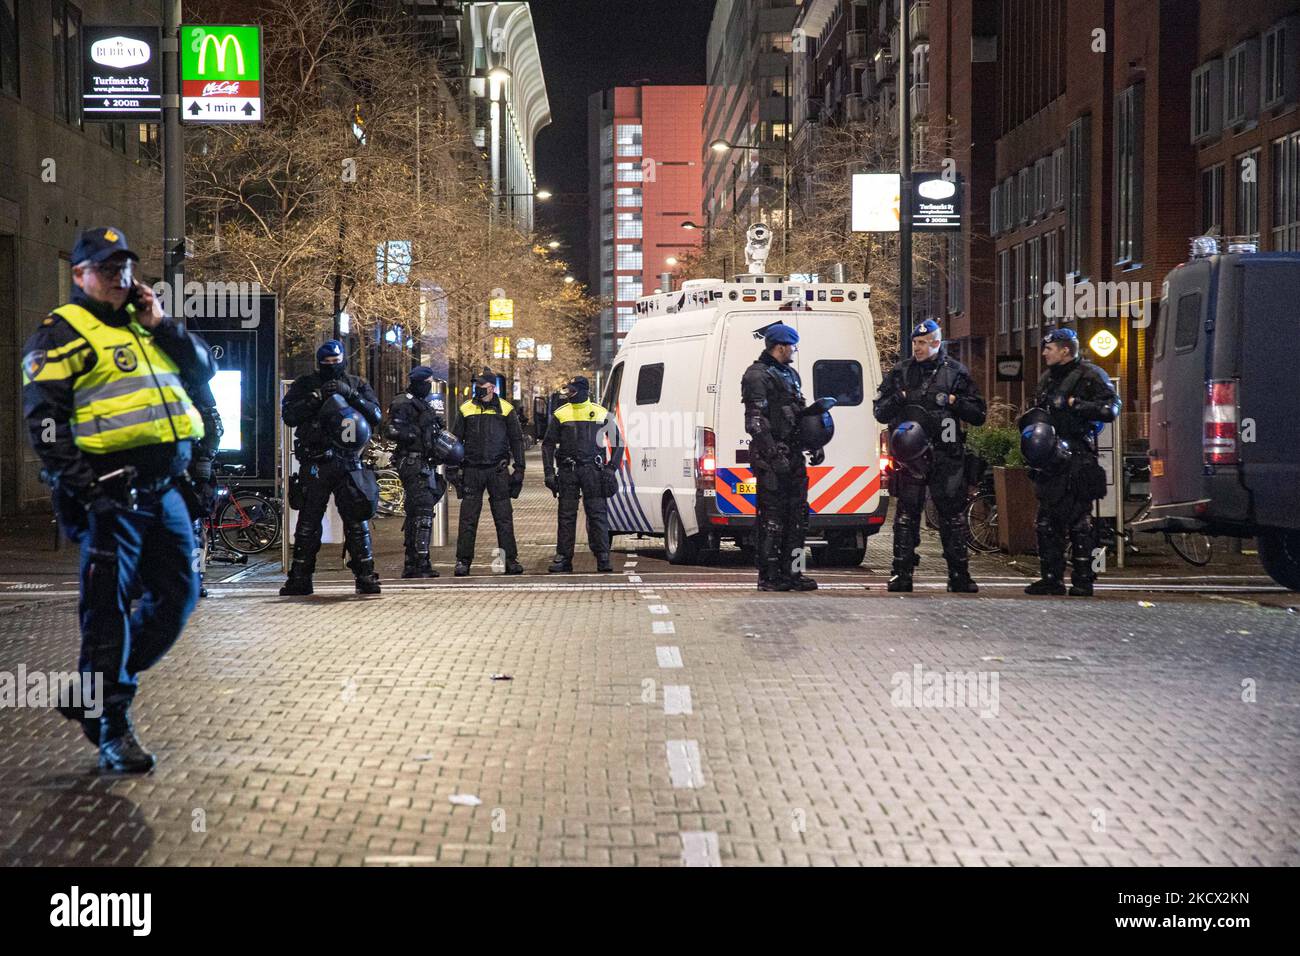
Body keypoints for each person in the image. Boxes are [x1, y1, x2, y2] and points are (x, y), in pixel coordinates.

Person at [21, 226, 215, 772]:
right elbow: (46, 425)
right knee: (107, 615)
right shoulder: (59, 334)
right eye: (107, 269)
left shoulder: (146, 325)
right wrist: (87, 492)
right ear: (79, 275)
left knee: (180, 598)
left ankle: (91, 691)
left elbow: (204, 370)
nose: (120, 277)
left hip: (164, 489)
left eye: (125, 267)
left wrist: (162, 322)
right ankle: (112, 725)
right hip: (111, 495)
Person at [873, 319, 987, 593]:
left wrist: (954, 402)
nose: (918, 348)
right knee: (905, 516)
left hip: (946, 456)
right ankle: (901, 573)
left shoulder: (956, 373)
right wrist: (898, 399)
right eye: (915, 343)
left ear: (937, 343)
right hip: (910, 459)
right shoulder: (901, 372)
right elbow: (880, 411)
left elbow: (978, 413)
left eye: (923, 343)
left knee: (952, 516)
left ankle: (959, 575)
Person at [280, 340, 384, 596]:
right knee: (308, 522)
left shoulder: (357, 384)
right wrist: (314, 399)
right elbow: (289, 416)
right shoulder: (305, 384)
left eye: (336, 363)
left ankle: (366, 575)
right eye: (327, 364)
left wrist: (351, 395)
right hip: (316, 460)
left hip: (349, 462)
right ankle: (301, 577)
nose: (332, 368)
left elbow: (376, 415)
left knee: (357, 520)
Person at [1022, 327, 1121, 596]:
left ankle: (1083, 579)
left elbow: (1111, 408)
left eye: (1049, 349)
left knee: (1079, 521)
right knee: (1046, 521)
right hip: (1049, 457)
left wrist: (1076, 404)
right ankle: (1051, 578)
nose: (1044, 353)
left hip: (1077, 454)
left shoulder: (1091, 375)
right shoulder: (1047, 378)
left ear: (1065, 350)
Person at [741, 323, 821, 592]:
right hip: (771, 461)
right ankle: (770, 575)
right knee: (772, 520)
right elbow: (755, 422)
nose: (794, 351)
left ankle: (794, 573)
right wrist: (774, 455)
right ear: (780, 347)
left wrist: (815, 442)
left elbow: (799, 414)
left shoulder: (790, 374)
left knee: (798, 519)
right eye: (791, 347)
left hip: (794, 455)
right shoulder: (757, 376)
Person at [448, 369, 525, 576]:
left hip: (497, 470)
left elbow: (517, 440)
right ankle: (463, 561)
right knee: (467, 519)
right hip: (472, 470)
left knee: (504, 518)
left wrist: (519, 468)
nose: (477, 389)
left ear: (491, 388)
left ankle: (510, 560)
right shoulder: (466, 409)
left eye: (481, 386)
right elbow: (456, 441)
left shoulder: (506, 410)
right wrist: (453, 468)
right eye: (476, 386)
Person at [542, 376, 621, 573]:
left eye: (572, 389)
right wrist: (549, 473)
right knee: (566, 516)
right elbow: (548, 445)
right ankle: (563, 558)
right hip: (568, 470)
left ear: (582, 390)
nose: (568, 393)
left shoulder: (601, 413)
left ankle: (603, 558)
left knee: (597, 515)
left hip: (593, 471)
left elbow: (618, 442)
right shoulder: (561, 413)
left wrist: (611, 468)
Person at [385, 365, 451, 578]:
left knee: (418, 510)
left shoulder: (422, 404)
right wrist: (415, 432)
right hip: (412, 462)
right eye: (426, 383)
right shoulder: (403, 402)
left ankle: (415, 560)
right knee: (422, 510)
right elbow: (392, 430)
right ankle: (419, 561)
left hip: (424, 463)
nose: (428, 387)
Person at [185, 377, 223, 598]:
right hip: (159, 468)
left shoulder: (196, 389)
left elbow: (215, 428)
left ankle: (196, 579)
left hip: (190, 468)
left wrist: (205, 460)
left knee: (195, 529)